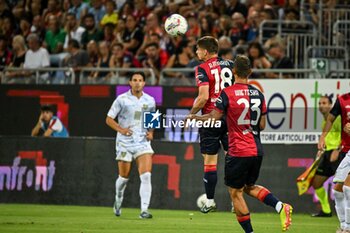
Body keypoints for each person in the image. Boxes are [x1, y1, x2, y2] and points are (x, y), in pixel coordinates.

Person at [188, 55, 293, 232]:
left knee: (235, 193)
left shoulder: (227, 93)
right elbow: (262, 125)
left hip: (238, 150)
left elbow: (214, 116)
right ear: (250, 72)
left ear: (234, 71)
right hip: (257, 150)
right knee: (248, 187)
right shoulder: (258, 94)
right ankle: (280, 207)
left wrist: (195, 117)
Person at [188, 36, 234, 213]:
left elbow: (203, 97)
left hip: (210, 118)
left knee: (210, 162)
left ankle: (209, 202)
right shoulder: (231, 64)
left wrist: (192, 114)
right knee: (233, 161)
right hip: (231, 118)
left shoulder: (202, 68)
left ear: (205, 52)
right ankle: (234, 202)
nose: (196, 52)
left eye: (198, 49)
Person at [106, 72, 155, 219]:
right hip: (124, 143)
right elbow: (108, 119)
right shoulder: (121, 99)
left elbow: (151, 119)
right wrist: (121, 130)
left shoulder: (150, 100)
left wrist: (151, 132)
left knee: (146, 176)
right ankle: (118, 199)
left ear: (144, 83)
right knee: (123, 178)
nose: (138, 83)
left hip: (142, 142)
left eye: (140, 80)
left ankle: (144, 210)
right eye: (135, 80)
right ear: (130, 82)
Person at [318, 92, 350, 233]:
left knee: (347, 188)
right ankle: (343, 226)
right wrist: (322, 137)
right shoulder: (342, 100)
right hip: (347, 151)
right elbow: (330, 119)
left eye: (324, 103)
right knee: (337, 191)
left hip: (340, 150)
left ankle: (348, 227)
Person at [311, 95, 342, 217]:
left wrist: (338, 150)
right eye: (319, 103)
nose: (321, 106)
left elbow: (345, 136)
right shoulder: (325, 122)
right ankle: (326, 210)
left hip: (338, 153)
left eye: (324, 103)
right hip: (327, 153)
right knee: (317, 183)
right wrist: (321, 150)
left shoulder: (338, 119)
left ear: (331, 105)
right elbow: (326, 138)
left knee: (344, 186)